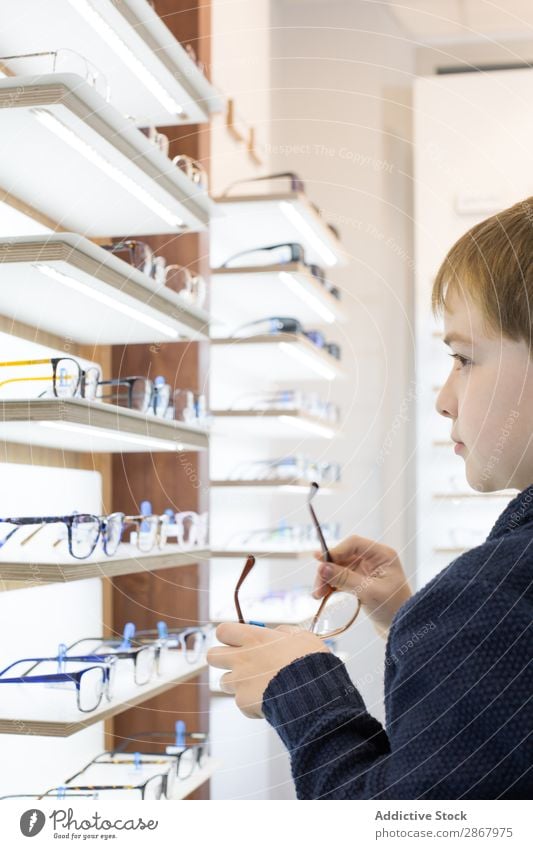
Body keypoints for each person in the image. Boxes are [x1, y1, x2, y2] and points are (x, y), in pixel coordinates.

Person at [207, 197, 533, 799]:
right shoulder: (491, 600)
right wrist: (413, 618)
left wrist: (301, 691)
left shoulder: (497, 593)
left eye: (464, 358)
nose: (443, 398)